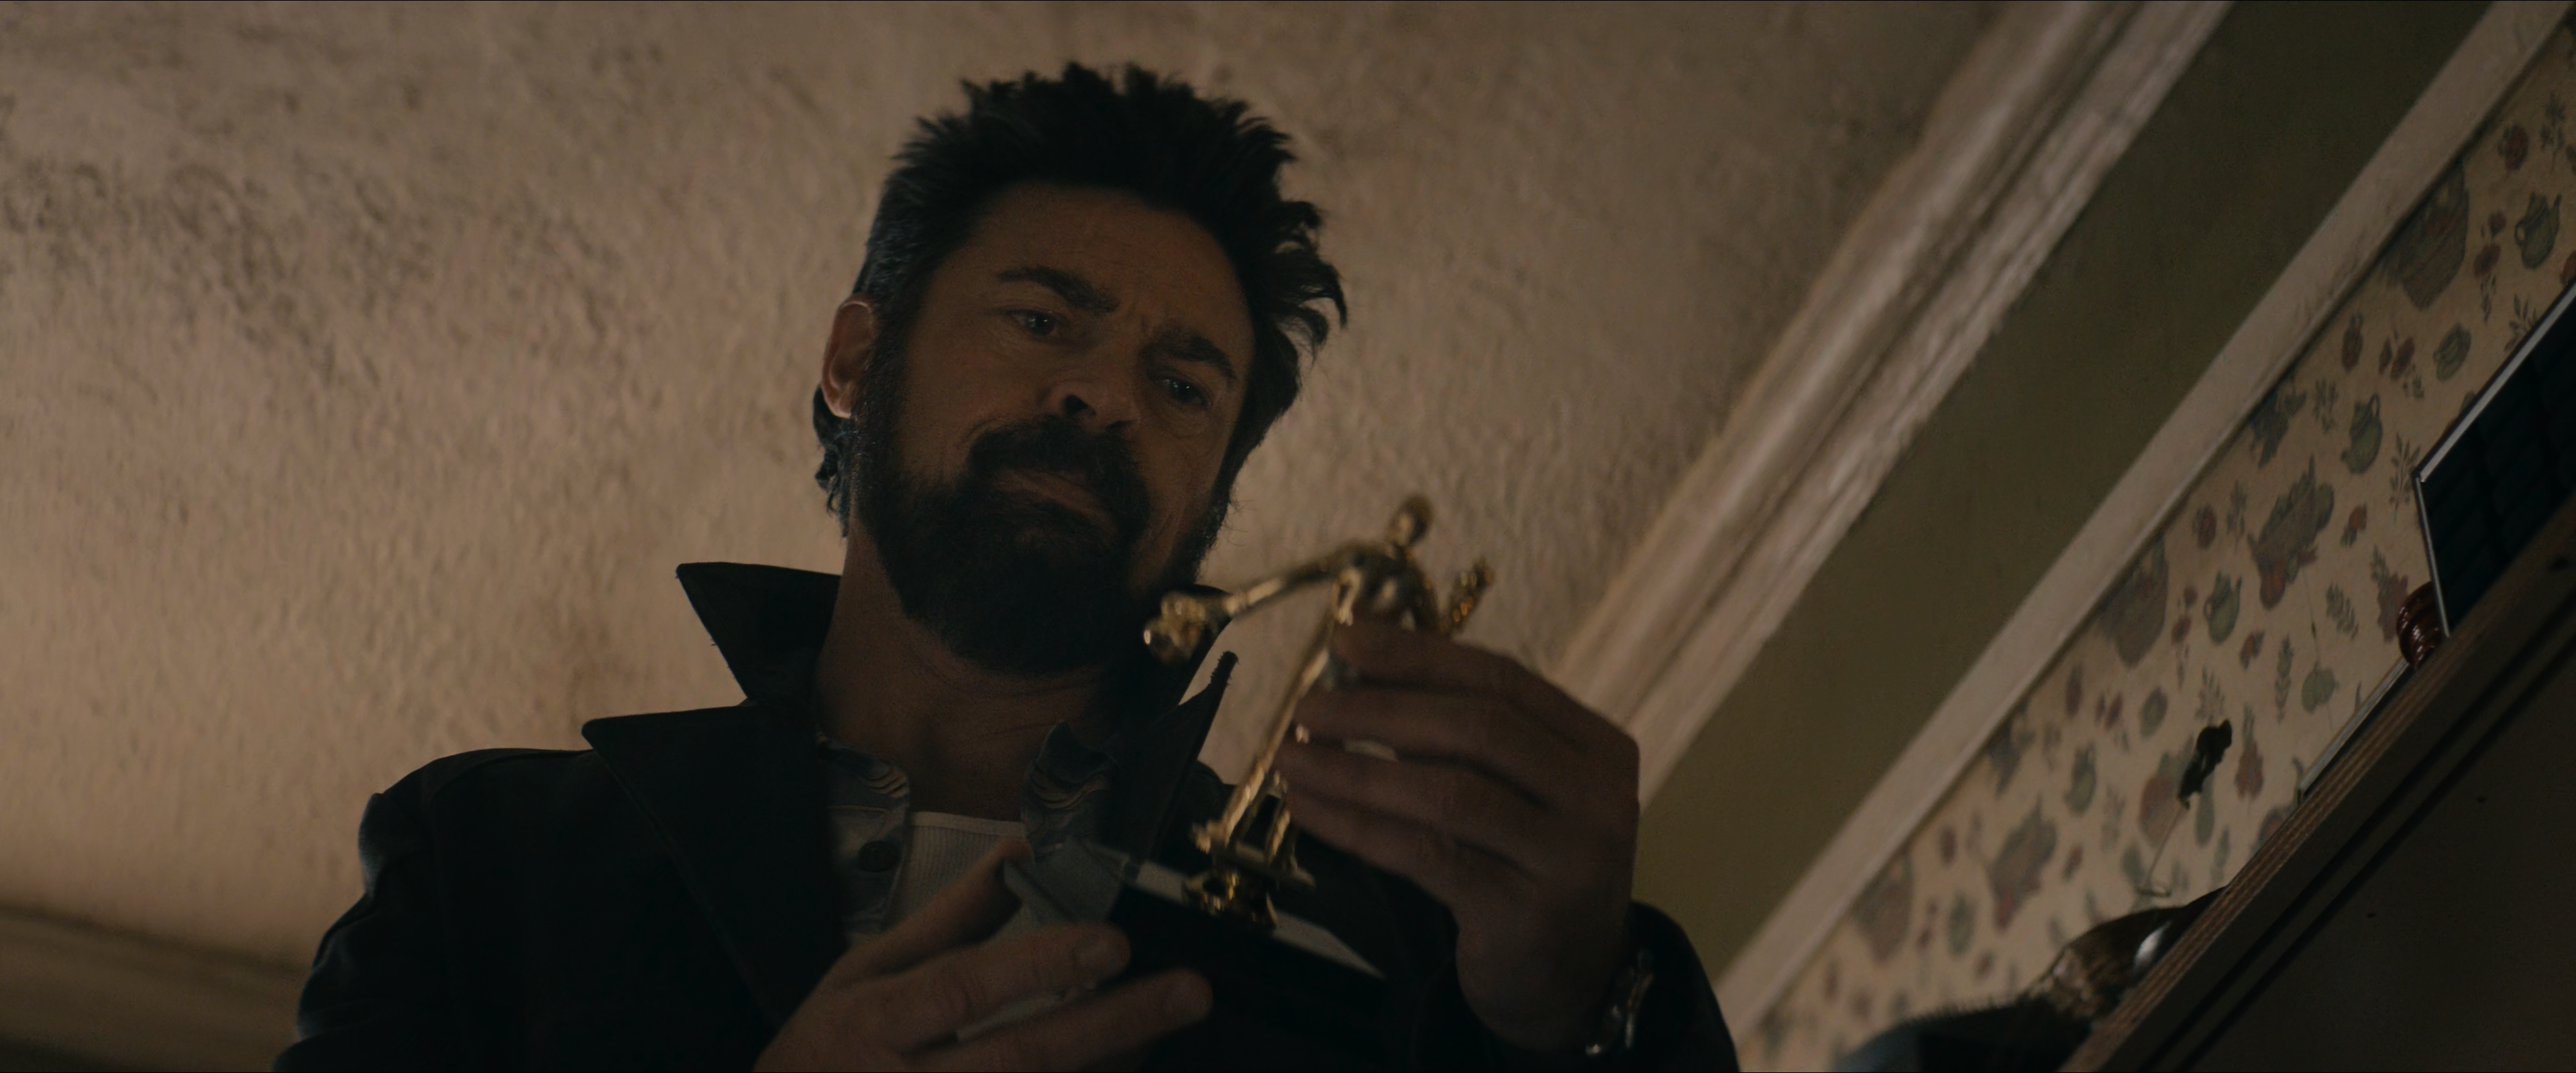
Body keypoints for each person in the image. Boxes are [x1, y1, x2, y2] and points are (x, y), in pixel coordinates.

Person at [279, 63, 1737, 1071]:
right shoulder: (488, 861)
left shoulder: (1402, 945)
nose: (1105, 395)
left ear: (1215, 499)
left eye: (1183, 384)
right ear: (857, 358)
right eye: (1043, 321)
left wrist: (1588, 1016)